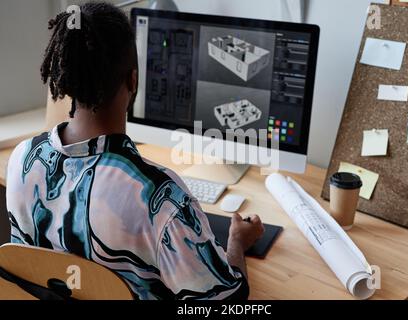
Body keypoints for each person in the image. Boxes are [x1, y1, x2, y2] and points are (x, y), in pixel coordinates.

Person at [6, 2, 264, 300]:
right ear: (133, 79)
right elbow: (225, 302)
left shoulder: (22, 158)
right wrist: (236, 242)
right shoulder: (160, 198)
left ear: (64, 76)